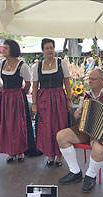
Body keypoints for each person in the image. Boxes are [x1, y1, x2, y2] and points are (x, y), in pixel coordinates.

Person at [56, 69, 103, 193]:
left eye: (92, 79)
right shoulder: (87, 95)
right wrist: (76, 114)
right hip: (85, 129)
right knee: (61, 136)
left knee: (98, 149)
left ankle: (90, 175)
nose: (89, 81)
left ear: (101, 81)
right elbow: (80, 113)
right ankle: (75, 172)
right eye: (89, 79)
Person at [0, 39, 41, 163]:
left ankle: (20, 151)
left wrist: (21, 94)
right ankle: (10, 151)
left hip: (16, 98)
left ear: (12, 50)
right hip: (5, 98)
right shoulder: (2, 63)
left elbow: (28, 83)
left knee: (17, 125)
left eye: (5, 48)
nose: (3, 50)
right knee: (6, 124)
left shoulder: (22, 66)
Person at [32, 38, 72, 167]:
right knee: (46, 127)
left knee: (60, 126)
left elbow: (67, 82)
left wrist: (69, 99)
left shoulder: (61, 63)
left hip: (59, 97)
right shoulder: (38, 66)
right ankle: (50, 154)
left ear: (54, 49)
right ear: (43, 50)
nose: (49, 50)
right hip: (43, 99)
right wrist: (34, 104)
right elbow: (34, 86)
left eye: (51, 47)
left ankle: (60, 154)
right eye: (47, 48)